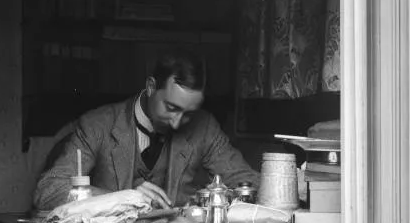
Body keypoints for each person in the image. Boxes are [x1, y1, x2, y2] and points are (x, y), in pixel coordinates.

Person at [33, 49, 259, 212]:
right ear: (151, 87)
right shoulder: (97, 125)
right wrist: (123, 198)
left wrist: (216, 196)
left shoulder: (205, 127)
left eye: (188, 113)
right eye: (171, 108)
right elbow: (48, 191)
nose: (177, 123)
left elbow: (250, 183)